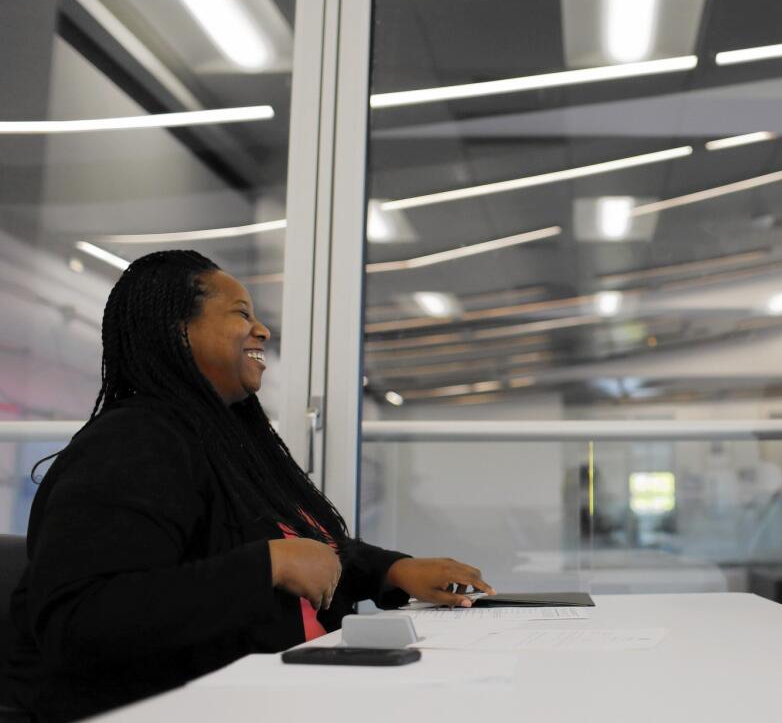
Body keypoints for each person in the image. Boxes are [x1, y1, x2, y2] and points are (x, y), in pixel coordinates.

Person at [0, 250, 494, 722]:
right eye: (241, 314)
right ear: (178, 331)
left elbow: (306, 546)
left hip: (287, 692)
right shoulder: (133, 442)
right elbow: (81, 620)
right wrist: (267, 566)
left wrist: (393, 570)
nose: (262, 329)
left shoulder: (223, 441)